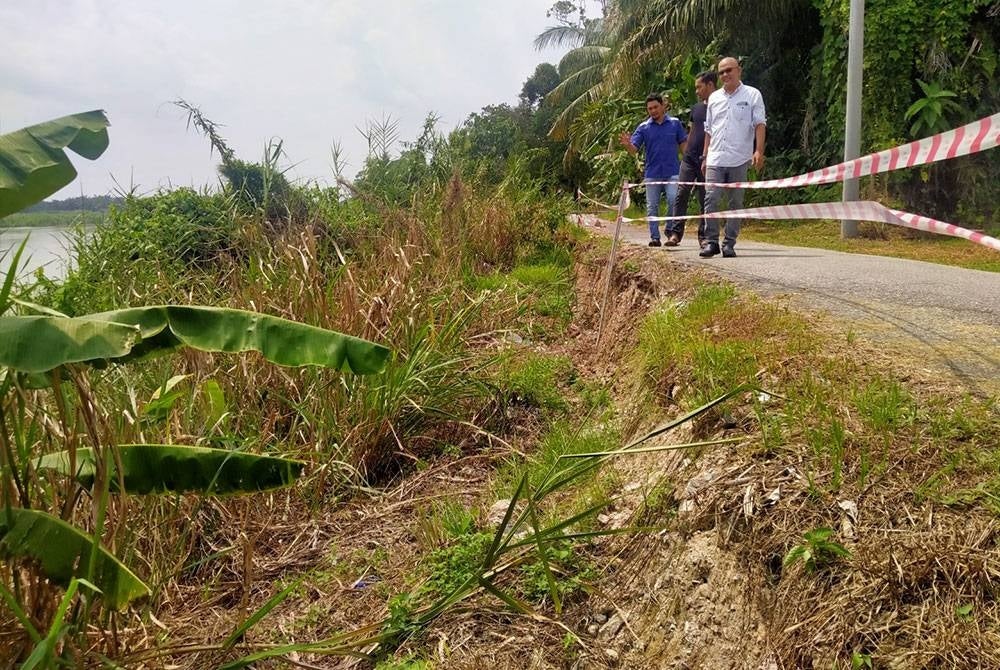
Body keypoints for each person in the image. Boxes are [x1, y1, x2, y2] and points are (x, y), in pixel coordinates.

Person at [699, 57, 766, 258]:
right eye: (721, 72)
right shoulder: (714, 98)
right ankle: (711, 242)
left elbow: (760, 124)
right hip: (715, 158)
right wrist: (705, 156)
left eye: (729, 70)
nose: (725, 75)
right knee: (710, 200)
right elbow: (709, 130)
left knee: (735, 203)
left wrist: (759, 151)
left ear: (739, 71)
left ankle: (729, 243)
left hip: (739, 158)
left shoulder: (752, 95)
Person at [620, 94, 688, 247]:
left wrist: (689, 163)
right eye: (650, 108)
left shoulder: (675, 124)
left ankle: (670, 231)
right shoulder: (643, 128)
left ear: (663, 106)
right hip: (652, 173)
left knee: (673, 200)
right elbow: (634, 149)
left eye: (655, 107)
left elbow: (684, 145)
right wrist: (626, 144)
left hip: (672, 171)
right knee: (652, 206)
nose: (653, 111)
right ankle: (655, 237)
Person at [673, 71, 717, 245]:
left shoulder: (720, 106)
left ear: (710, 85)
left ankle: (703, 237)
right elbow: (692, 131)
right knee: (681, 193)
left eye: (699, 87)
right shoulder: (697, 108)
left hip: (709, 159)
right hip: (690, 159)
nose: (697, 91)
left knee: (705, 198)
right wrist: (686, 153)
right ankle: (675, 233)